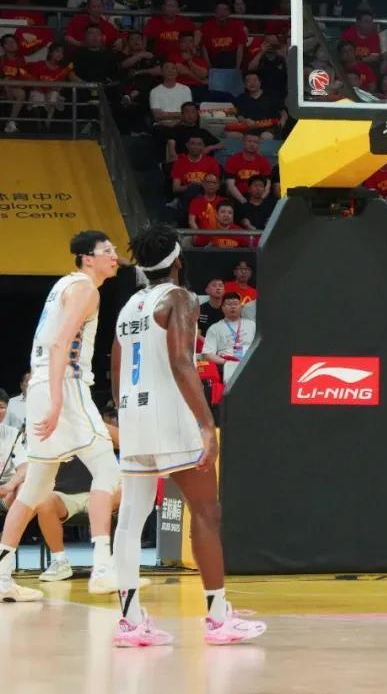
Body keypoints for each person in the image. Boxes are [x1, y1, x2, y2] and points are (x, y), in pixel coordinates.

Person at [111, 225, 265, 645]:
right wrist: (205, 424)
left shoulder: (128, 306)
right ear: (178, 260)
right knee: (206, 512)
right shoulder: (179, 298)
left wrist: (127, 416)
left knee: (130, 521)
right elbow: (182, 362)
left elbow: (116, 371)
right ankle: (217, 617)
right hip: (171, 416)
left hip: (134, 416)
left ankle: (130, 622)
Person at [0, 231, 122, 603]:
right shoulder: (85, 289)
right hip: (64, 385)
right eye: (107, 251)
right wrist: (56, 401)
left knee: (35, 489)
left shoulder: (63, 286)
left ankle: (2, 576)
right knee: (109, 473)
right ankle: (103, 568)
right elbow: (59, 344)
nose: (115, 255)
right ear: (88, 258)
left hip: (42, 385)